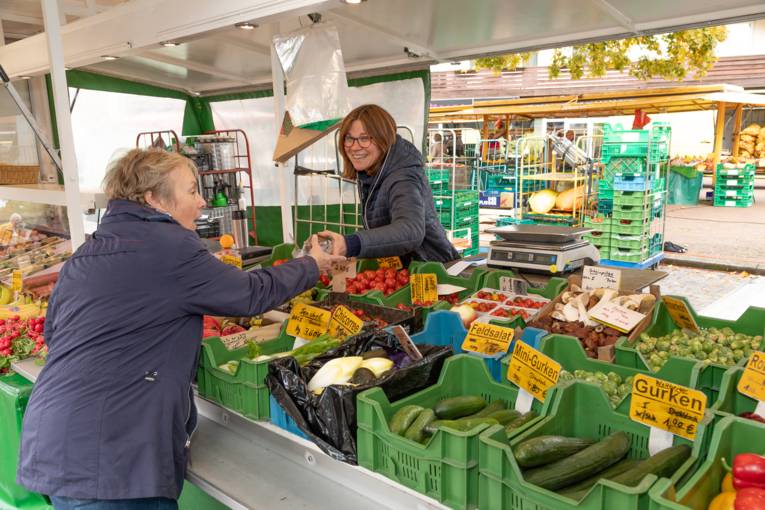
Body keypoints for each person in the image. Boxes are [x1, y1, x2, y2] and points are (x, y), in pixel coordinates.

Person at [16, 148, 343, 509]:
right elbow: (251, 294)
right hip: (116, 460)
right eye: (191, 191)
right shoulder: (168, 248)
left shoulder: (87, 253)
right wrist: (311, 264)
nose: (202, 202)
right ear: (153, 199)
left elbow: (54, 334)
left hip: (55, 443)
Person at [319, 104, 459, 264]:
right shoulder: (372, 171)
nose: (354, 146)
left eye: (364, 138)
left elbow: (410, 230)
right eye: (349, 138)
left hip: (432, 270)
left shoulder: (403, 175)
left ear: (383, 139)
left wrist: (349, 244)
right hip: (405, 269)